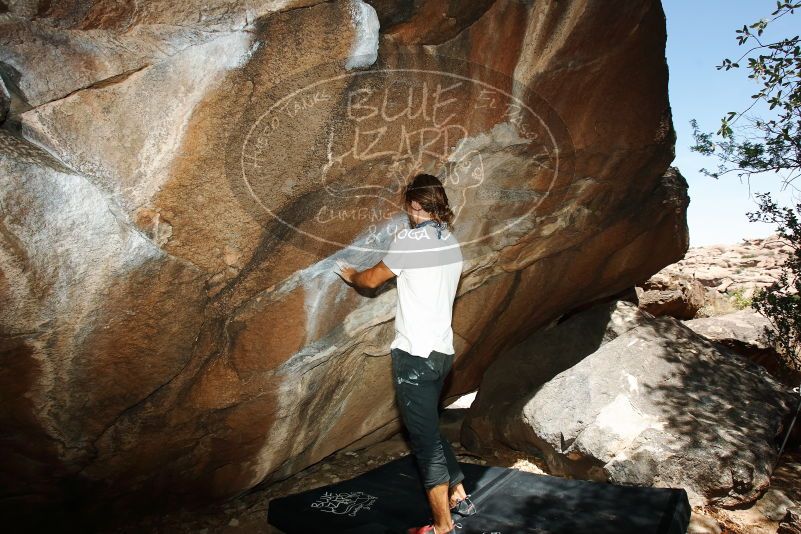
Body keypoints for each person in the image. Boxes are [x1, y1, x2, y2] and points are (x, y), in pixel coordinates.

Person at [335, 173, 476, 534]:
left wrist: (351, 274)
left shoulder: (410, 241)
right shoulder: (453, 244)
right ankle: (458, 490)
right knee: (427, 423)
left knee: (424, 442)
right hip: (442, 354)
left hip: (414, 355)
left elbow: (371, 280)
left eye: (408, 206)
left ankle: (442, 526)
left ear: (415, 206)